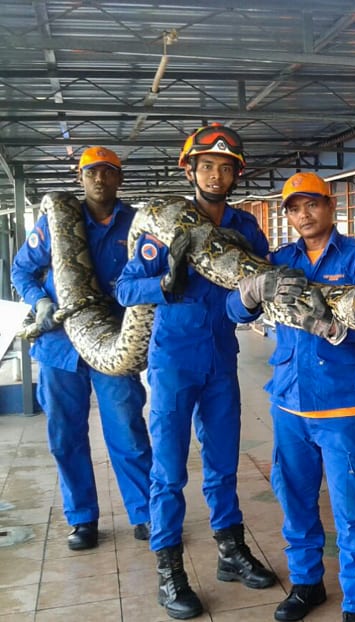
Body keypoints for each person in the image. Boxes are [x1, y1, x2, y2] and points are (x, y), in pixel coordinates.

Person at [116, 124, 278, 620]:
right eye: (207, 165)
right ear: (190, 170)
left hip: (221, 361)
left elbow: (244, 304)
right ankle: (169, 569)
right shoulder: (161, 227)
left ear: (236, 174)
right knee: (168, 471)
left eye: (226, 167)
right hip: (172, 364)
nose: (216, 174)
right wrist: (164, 284)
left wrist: (250, 300)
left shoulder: (247, 228)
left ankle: (230, 550)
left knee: (224, 464)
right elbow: (123, 290)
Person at [227, 171, 355, 622]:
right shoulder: (279, 261)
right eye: (295, 207)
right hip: (288, 403)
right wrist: (248, 295)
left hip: (340, 405)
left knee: (353, 509)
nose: (304, 214)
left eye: (313, 204)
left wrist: (340, 330)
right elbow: (233, 310)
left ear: (330, 207)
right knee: (296, 500)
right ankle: (307, 584)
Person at [11, 146, 152, 551]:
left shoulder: (135, 224)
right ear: (80, 177)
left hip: (112, 340)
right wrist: (40, 300)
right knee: (65, 433)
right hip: (60, 345)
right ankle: (83, 518)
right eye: (91, 172)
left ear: (119, 178)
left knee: (126, 427)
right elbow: (22, 268)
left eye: (108, 172)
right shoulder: (56, 220)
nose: (99, 179)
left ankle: (143, 513)